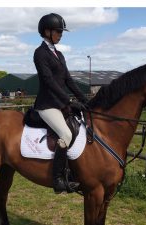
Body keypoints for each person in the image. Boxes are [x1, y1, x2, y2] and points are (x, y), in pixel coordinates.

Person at [34, 13, 88, 194]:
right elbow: (49, 82)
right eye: (58, 31)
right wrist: (69, 101)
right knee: (65, 134)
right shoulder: (39, 53)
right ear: (47, 31)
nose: (60, 34)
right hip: (47, 105)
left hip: (60, 103)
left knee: (79, 128)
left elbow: (68, 80)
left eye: (61, 31)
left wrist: (85, 100)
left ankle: (74, 171)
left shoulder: (59, 54)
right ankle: (57, 179)